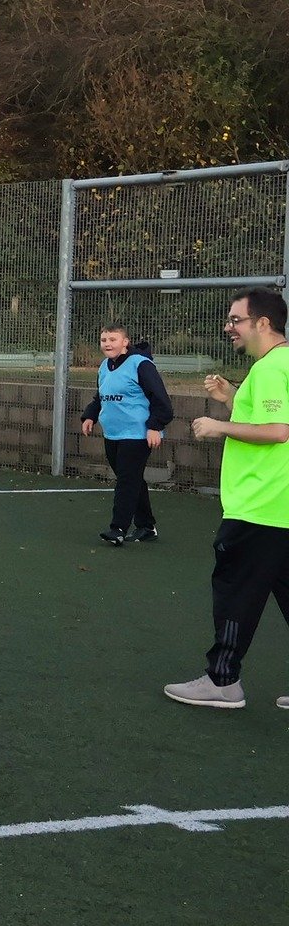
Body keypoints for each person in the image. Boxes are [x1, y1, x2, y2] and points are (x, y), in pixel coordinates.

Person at [163, 288, 289, 713]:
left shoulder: (273, 368)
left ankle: (222, 680)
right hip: (280, 505)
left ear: (263, 324)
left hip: (261, 504)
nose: (228, 327)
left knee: (235, 589)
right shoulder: (277, 365)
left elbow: (277, 431)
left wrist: (219, 426)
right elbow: (270, 417)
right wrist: (233, 396)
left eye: (236, 319)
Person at [78, 324, 173, 545]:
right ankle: (146, 526)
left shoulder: (141, 365)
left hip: (137, 435)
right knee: (131, 479)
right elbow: (100, 396)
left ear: (125, 342)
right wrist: (89, 416)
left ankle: (118, 529)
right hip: (113, 434)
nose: (107, 344)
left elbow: (161, 400)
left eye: (113, 339)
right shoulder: (104, 366)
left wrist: (155, 426)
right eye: (103, 340)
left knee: (126, 481)